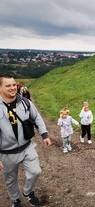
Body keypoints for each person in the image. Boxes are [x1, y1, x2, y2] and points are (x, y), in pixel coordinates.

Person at [0, 74, 51, 207]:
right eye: (8, 85)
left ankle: (28, 192)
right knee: (10, 180)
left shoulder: (25, 102)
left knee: (35, 171)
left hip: (27, 147)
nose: (12, 88)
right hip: (6, 153)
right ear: (0, 88)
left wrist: (44, 135)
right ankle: (16, 199)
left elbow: (37, 118)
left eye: (14, 85)